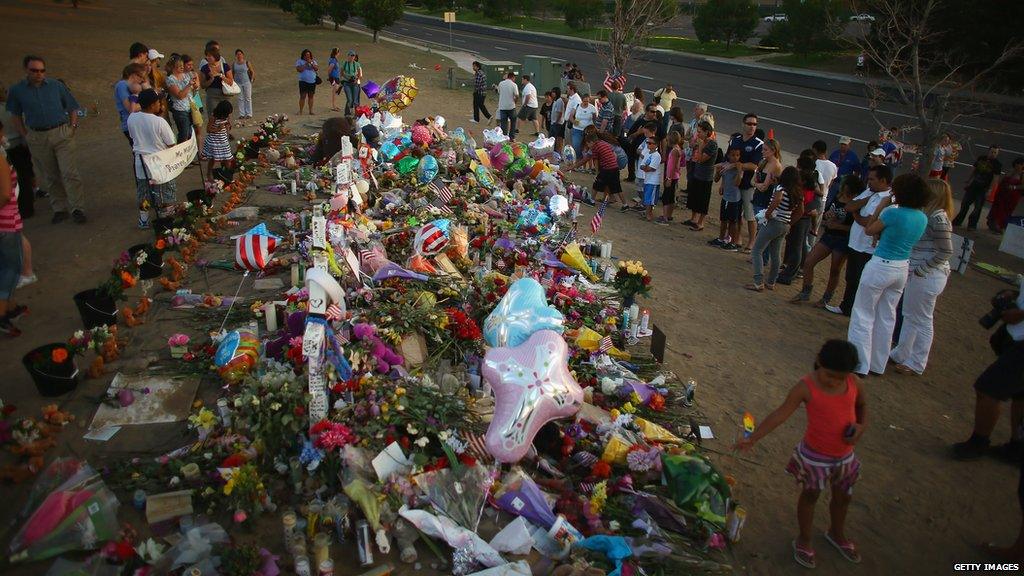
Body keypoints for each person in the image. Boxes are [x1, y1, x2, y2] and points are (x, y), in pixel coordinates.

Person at [735, 339, 866, 570]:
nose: (835, 382)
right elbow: (780, 414)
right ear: (818, 362)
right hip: (814, 457)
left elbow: (861, 406)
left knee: (843, 496)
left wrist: (860, 426)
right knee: (810, 495)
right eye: (829, 375)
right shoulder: (806, 387)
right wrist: (752, 438)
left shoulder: (853, 382)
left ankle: (837, 533)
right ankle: (804, 539)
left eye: (840, 377)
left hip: (845, 456)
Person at [847, 173, 929, 376]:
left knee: (863, 314)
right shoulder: (922, 217)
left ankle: (860, 363)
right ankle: (877, 363)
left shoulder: (892, 213)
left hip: (881, 264)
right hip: (901, 267)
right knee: (887, 315)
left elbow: (869, 229)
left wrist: (881, 206)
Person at [5, 55, 86, 224]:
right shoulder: (17, 91)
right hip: (37, 135)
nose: (39, 74)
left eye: (42, 70)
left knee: (69, 172)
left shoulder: (56, 86)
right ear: (26, 70)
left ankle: (77, 208)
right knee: (50, 174)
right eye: (34, 70)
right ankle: (59, 208)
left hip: (61, 132)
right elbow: (15, 114)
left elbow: (72, 106)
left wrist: (72, 127)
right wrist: (25, 134)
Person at [889, 178, 954, 375]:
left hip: (927, 275)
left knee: (922, 319)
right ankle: (902, 353)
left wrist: (922, 269)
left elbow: (946, 250)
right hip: (920, 271)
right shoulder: (931, 215)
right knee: (910, 314)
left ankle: (917, 362)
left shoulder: (938, 218)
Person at [952, 286, 1024, 461]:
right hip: (1018, 336)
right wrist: (1015, 294)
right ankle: (1017, 447)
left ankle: (978, 442)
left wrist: (1020, 314)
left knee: (988, 389)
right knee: (1020, 394)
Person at [830, 165, 893, 316]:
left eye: (872, 179)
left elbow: (868, 222)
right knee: (851, 277)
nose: (868, 182)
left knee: (861, 280)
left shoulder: (888, 199)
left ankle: (856, 310)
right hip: (855, 243)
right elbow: (849, 206)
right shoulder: (869, 192)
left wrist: (856, 215)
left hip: (867, 247)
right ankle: (846, 306)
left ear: (883, 180)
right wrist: (866, 200)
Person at [792, 174, 862, 307]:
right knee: (809, 261)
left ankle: (826, 298)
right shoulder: (838, 196)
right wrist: (827, 216)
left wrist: (838, 225)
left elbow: (857, 226)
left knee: (835, 270)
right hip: (829, 235)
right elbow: (826, 211)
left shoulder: (857, 202)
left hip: (842, 239)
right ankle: (806, 291)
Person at [128, 89, 178, 228]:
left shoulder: (132, 118)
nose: (160, 104)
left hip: (141, 162)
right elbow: (171, 143)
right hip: (159, 162)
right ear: (151, 105)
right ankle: (166, 220)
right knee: (165, 192)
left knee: (143, 193)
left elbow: (133, 137)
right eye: (158, 102)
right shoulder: (160, 122)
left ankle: (143, 220)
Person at [747, 166, 803, 291]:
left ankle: (758, 282)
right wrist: (789, 223)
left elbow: (777, 199)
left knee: (756, 250)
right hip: (784, 224)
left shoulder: (781, 188)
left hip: (774, 222)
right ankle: (771, 281)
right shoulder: (797, 192)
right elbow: (800, 211)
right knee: (775, 253)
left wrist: (768, 213)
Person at [777, 155, 822, 285]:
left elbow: (807, 203)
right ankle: (795, 270)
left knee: (796, 246)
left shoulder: (805, 182)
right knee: (799, 245)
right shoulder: (810, 181)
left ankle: (790, 273)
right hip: (804, 217)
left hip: (800, 217)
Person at [0, 144, 26, 336]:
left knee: (3, 266)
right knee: (12, 268)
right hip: (6, 222)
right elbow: (6, 193)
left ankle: (9, 306)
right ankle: (2, 315)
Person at [729, 114, 765, 250]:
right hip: (735, 181)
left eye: (755, 124)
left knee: (750, 214)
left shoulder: (758, 144)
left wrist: (738, 165)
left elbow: (755, 165)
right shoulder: (736, 140)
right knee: (736, 213)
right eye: (749, 123)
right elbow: (729, 157)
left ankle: (752, 242)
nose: (752, 126)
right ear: (743, 124)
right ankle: (737, 239)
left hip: (748, 184)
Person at [0, 86, 36, 219]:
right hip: (18, 145)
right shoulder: (10, 109)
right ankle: (26, 208)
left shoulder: (9, 108)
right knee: (23, 176)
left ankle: (20, 208)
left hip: (7, 148)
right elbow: (21, 125)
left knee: (13, 179)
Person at [953, 145, 1003, 229]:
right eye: (992, 152)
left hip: (983, 188)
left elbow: (995, 178)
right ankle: (958, 221)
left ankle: (972, 225)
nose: (993, 154)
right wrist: (968, 180)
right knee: (965, 204)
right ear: (989, 151)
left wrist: (990, 190)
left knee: (978, 208)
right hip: (974, 185)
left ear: (997, 154)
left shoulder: (997, 164)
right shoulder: (981, 158)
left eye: (995, 153)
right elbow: (974, 169)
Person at [684, 120, 717, 231]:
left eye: (700, 132)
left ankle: (700, 222)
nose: (698, 134)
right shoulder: (702, 142)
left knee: (703, 200)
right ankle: (693, 219)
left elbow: (701, 159)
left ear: (706, 132)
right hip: (698, 174)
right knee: (695, 197)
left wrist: (701, 145)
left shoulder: (712, 144)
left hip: (705, 176)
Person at [578, 129, 624, 205]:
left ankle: (592, 201)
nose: (588, 146)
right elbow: (613, 154)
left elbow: (595, 161)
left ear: (591, 142)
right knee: (617, 188)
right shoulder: (604, 143)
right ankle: (625, 204)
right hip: (615, 167)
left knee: (596, 185)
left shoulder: (595, 148)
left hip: (607, 169)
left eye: (588, 144)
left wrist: (597, 173)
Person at [710, 146, 743, 251]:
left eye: (737, 155)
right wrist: (718, 172)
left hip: (734, 199)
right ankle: (721, 238)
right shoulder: (725, 166)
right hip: (726, 197)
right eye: (733, 155)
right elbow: (716, 179)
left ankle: (733, 242)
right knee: (723, 220)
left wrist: (738, 171)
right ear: (728, 155)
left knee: (733, 221)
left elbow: (737, 183)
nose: (735, 157)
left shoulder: (738, 167)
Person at [164, 57, 197, 143]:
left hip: (190, 108)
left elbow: (193, 90)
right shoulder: (170, 79)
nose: (182, 67)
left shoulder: (186, 75)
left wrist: (195, 85)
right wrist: (189, 85)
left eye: (182, 65)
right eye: (179, 66)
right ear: (173, 68)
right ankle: (180, 153)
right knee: (184, 134)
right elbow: (180, 95)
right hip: (180, 109)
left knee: (190, 133)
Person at [200, 45, 235, 122]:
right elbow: (202, 85)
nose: (208, 58)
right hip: (212, 95)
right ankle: (214, 133)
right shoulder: (204, 68)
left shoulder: (225, 66)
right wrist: (211, 79)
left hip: (225, 94)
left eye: (210, 56)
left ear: (215, 56)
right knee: (213, 116)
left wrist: (221, 76)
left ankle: (226, 133)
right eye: (207, 56)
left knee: (226, 116)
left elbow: (230, 81)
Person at [989, 158, 1024, 233]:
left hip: (1012, 197)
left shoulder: (1022, 174)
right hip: (1002, 194)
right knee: (997, 209)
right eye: (1017, 164)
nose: (1019, 166)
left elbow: (1023, 186)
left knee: (1005, 212)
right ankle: (992, 224)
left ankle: (1000, 227)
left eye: (1021, 165)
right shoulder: (1010, 171)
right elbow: (1002, 180)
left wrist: (1014, 187)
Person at [657, 131, 684, 225]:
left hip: (671, 176)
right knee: (671, 196)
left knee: (666, 197)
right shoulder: (678, 149)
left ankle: (665, 217)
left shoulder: (674, 151)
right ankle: (669, 215)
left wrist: (668, 178)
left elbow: (671, 166)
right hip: (675, 176)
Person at [115, 63, 146, 145]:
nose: (142, 79)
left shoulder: (133, 86)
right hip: (131, 125)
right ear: (133, 75)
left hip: (137, 123)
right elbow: (130, 108)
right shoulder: (122, 85)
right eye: (140, 76)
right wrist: (147, 103)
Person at [203, 100, 234, 178]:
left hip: (223, 140)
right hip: (214, 141)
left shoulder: (226, 117)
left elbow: (228, 127)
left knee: (227, 158)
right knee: (213, 159)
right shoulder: (213, 118)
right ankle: (209, 174)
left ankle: (228, 175)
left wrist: (228, 126)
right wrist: (218, 129)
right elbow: (208, 130)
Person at [828, 136, 860, 206]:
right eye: (842, 144)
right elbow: (829, 165)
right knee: (829, 200)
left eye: (845, 144)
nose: (843, 146)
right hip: (834, 182)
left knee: (841, 201)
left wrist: (851, 183)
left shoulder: (853, 157)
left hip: (845, 184)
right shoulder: (835, 154)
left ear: (849, 145)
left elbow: (857, 171)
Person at [638, 137, 662, 222]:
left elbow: (651, 168)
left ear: (656, 145)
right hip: (648, 179)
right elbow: (642, 166)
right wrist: (646, 167)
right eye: (648, 143)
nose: (648, 144)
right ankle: (648, 214)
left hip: (653, 180)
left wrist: (645, 167)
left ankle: (649, 215)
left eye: (650, 143)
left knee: (650, 199)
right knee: (647, 198)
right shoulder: (648, 153)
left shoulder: (657, 155)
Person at [569, 94, 598, 159]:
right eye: (584, 101)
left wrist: (595, 128)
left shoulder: (592, 108)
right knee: (576, 145)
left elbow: (595, 119)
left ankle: (588, 162)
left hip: (588, 130)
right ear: (582, 100)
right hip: (577, 129)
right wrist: (574, 122)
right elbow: (570, 116)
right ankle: (580, 159)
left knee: (588, 147)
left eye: (587, 101)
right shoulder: (577, 106)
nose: (586, 103)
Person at [295, 49, 319, 115]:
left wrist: (311, 63)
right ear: (303, 55)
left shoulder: (313, 61)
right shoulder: (299, 61)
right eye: (306, 55)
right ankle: (300, 111)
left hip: (312, 81)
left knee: (311, 96)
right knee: (302, 96)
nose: (307, 56)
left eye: (309, 55)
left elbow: (316, 68)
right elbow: (299, 70)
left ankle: (311, 111)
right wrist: (306, 64)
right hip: (303, 81)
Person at [496, 71, 519, 139]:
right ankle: (512, 137)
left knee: (504, 123)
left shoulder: (501, 83)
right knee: (513, 122)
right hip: (511, 106)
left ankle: (504, 137)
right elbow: (517, 95)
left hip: (502, 106)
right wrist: (515, 101)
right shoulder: (514, 85)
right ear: (512, 77)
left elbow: (499, 92)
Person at [232, 49, 254, 120]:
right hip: (238, 83)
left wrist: (252, 79)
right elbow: (232, 73)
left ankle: (249, 114)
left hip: (247, 82)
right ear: (236, 55)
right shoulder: (234, 64)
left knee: (248, 98)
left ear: (243, 55)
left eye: (240, 54)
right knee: (240, 98)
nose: (239, 56)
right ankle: (242, 114)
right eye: (238, 54)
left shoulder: (247, 63)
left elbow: (252, 71)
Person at [341, 50, 362, 116]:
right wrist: (347, 78)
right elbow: (341, 72)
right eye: (351, 55)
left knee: (355, 100)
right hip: (347, 83)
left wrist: (356, 79)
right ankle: (347, 113)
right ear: (348, 56)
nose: (352, 57)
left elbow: (359, 73)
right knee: (349, 99)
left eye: (353, 56)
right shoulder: (344, 63)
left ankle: (357, 114)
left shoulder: (357, 64)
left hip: (354, 84)